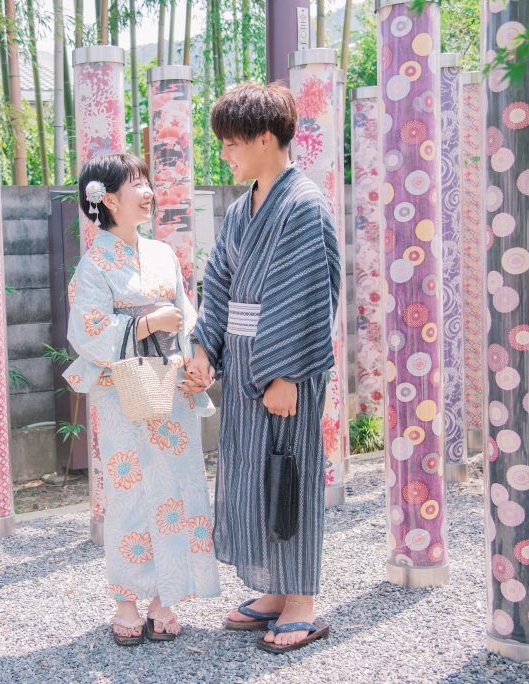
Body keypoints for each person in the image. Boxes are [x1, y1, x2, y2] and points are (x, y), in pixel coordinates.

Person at [184, 82, 341, 654]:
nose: (225, 152)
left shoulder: (303, 204)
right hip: (245, 363)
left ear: (267, 137)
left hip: (283, 370)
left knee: (289, 474)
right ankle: (275, 590)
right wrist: (205, 349)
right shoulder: (239, 209)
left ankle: (301, 601)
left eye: (232, 141)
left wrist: (287, 374)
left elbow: (309, 294)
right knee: (255, 474)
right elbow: (218, 285)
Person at [64, 153, 220, 646]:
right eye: (137, 183)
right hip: (123, 391)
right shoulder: (94, 265)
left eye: (146, 181)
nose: (148, 191)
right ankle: (127, 600)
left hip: (169, 385)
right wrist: (148, 322)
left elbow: (187, 314)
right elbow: (86, 332)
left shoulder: (162, 254)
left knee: (176, 487)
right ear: (108, 199)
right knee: (129, 491)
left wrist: (197, 361)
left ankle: (165, 596)